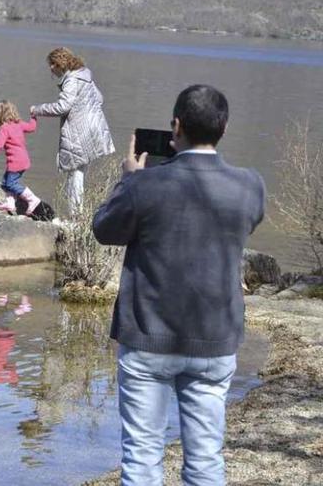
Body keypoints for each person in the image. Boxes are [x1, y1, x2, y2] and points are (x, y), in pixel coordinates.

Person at [92, 85, 266, 485]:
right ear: (224, 127)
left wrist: (128, 180)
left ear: (176, 127)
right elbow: (244, 224)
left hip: (148, 339)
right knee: (206, 462)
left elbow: (104, 229)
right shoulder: (249, 186)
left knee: (141, 460)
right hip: (215, 339)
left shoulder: (143, 186)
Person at [30, 47, 114, 216]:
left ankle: (76, 217)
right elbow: (99, 98)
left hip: (78, 131)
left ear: (61, 62)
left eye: (52, 64)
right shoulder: (85, 75)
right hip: (94, 129)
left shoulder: (71, 79)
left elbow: (63, 106)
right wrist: (85, 109)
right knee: (77, 172)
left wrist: (37, 109)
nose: (50, 68)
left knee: (75, 173)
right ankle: (76, 216)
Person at [0, 100, 42, 216]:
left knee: (11, 184)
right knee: (5, 182)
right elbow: (32, 127)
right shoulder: (19, 124)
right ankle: (10, 203)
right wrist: (34, 116)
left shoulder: (5, 128)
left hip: (16, 162)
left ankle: (32, 199)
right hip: (24, 160)